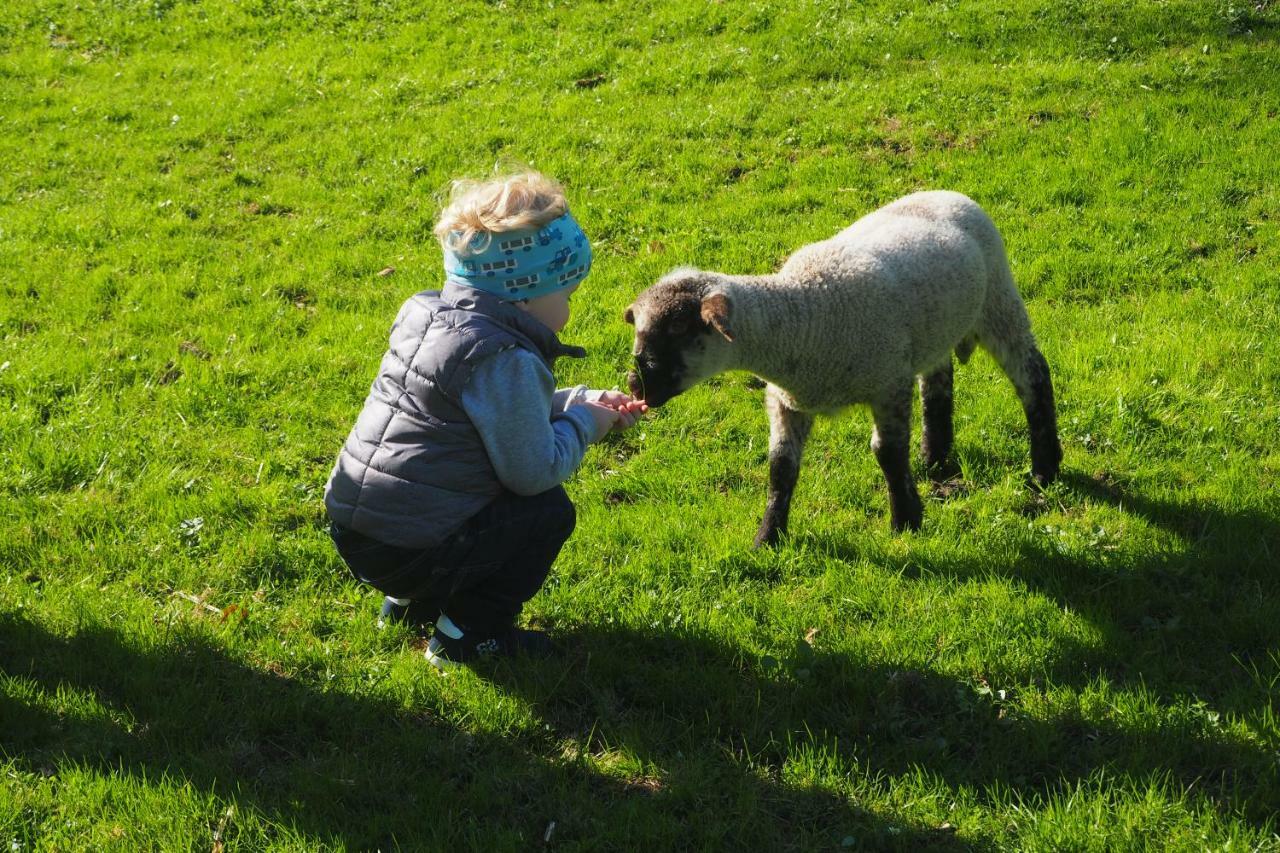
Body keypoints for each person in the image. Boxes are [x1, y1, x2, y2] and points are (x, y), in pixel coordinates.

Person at [323, 170, 646, 668]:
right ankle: (468, 636)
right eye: (564, 294)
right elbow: (533, 469)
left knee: (443, 481)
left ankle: (408, 606)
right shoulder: (505, 359)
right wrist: (585, 424)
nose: (568, 307)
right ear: (523, 296)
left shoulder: (428, 315)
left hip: (357, 530)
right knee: (544, 511)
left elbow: (472, 415)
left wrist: (577, 398)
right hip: (411, 548)